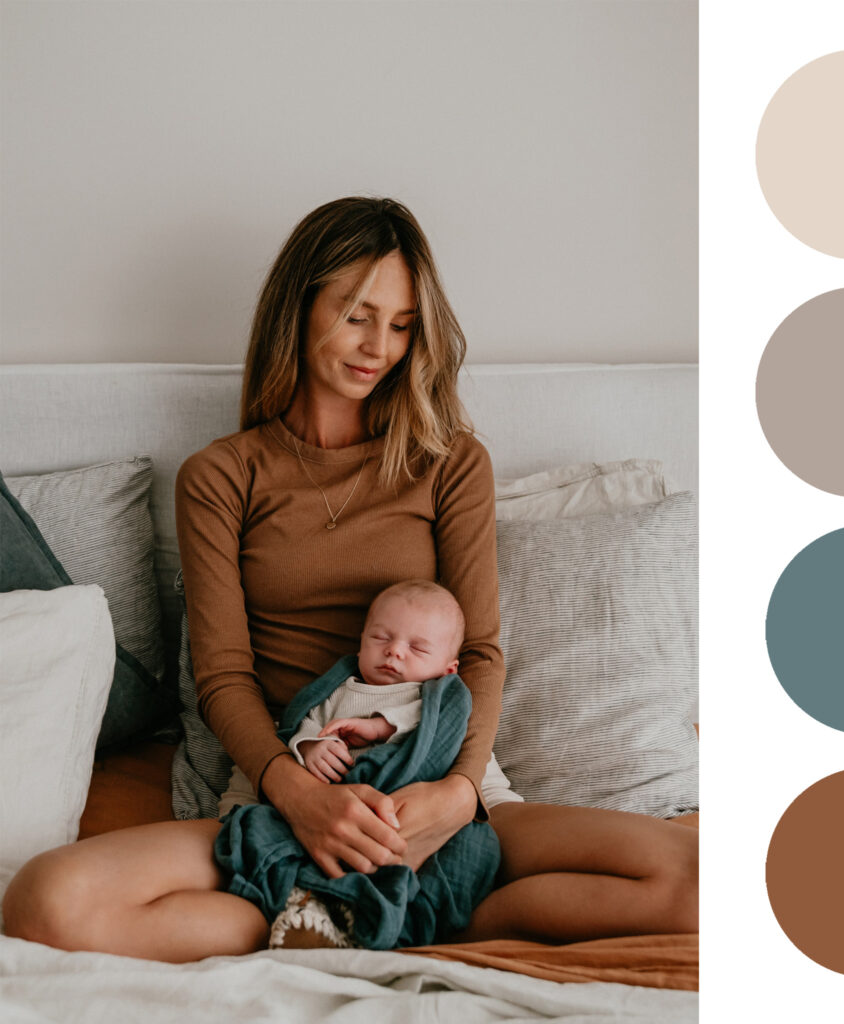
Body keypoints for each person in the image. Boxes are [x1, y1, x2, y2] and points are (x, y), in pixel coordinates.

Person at [2, 197, 697, 963]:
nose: (380, 347)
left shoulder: (450, 462)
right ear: (299, 309)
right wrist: (300, 798)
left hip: (442, 779)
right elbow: (223, 674)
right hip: (287, 781)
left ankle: (412, 915)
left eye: (401, 325)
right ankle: (304, 921)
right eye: (358, 315)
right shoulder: (222, 476)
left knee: (701, 884)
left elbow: (484, 652)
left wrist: (456, 794)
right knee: (44, 903)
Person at [216, 579, 501, 950]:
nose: (395, 652)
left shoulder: (436, 696)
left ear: (448, 668)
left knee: (478, 845)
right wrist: (313, 747)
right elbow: (301, 730)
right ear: (362, 639)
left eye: (417, 647)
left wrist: (379, 727)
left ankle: (393, 923)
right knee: (255, 828)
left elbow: (436, 735)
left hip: (409, 814)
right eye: (381, 638)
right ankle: (316, 907)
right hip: (334, 811)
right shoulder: (339, 691)